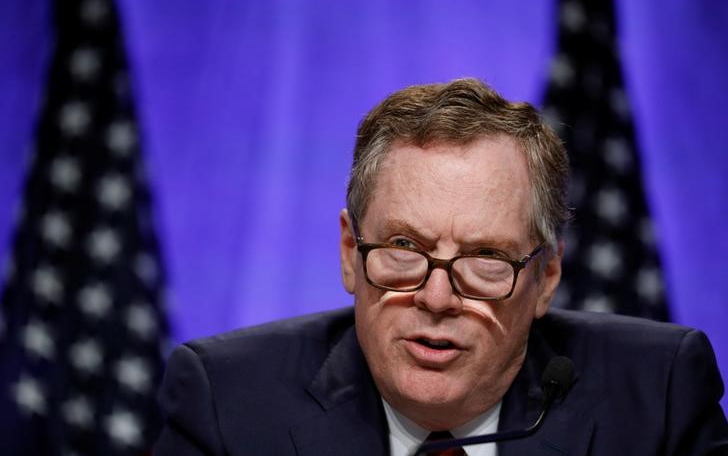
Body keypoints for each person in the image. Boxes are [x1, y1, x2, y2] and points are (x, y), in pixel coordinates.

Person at [154, 78, 728, 455]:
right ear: (351, 254)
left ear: (546, 277)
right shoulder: (226, 405)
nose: (436, 298)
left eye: (485, 258)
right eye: (404, 247)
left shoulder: (659, 397)